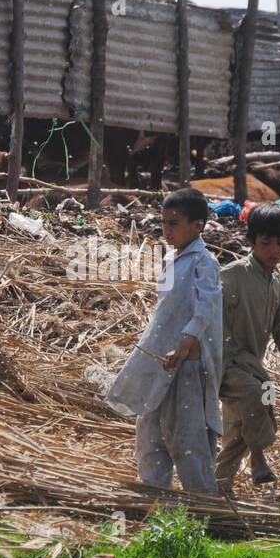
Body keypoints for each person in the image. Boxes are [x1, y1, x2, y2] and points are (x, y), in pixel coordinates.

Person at [105, 188, 222, 493]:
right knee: (150, 428)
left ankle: (202, 501)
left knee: (186, 433)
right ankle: (154, 494)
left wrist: (184, 345)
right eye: (163, 222)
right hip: (162, 357)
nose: (165, 230)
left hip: (186, 362)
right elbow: (167, 309)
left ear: (197, 226)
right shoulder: (172, 259)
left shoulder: (204, 262)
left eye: (173, 223)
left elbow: (204, 308)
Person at [216, 203, 280, 491]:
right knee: (257, 393)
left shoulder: (277, 282)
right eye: (266, 243)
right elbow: (207, 313)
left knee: (239, 430)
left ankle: (218, 489)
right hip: (224, 363)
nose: (274, 249)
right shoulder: (232, 276)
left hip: (251, 364)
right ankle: (259, 459)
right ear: (251, 241)